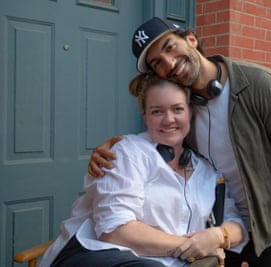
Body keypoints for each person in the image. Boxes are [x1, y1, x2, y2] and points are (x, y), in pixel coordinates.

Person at [89, 17, 271, 267]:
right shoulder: (184, 109)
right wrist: (110, 148)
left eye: (169, 47)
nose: (170, 63)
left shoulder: (260, 83)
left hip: (268, 228)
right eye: (158, 63)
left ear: (191, 39)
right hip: (218, 229)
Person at [39, 73, 247, 267]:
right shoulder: (126, 153)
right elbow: (115, 229)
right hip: (100, 254)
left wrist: (218, 236)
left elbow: (237, 224)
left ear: (190, 112)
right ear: (145, 116)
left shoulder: (208, 171)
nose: (168, 119)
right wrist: (192, 248)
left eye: (177, 109)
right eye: (157, 111)